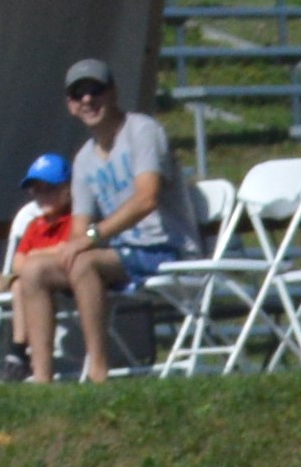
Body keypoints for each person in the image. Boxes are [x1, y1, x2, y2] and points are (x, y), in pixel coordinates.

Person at [12, 60, 203, 385]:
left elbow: (147, 198)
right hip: (120, 254)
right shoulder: (84, 158)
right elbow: (77, 230)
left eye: (95, 90)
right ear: (70, 105)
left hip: (167, 248)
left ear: (112, 93)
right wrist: (54, 252)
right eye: (78, 94)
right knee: (33, 272)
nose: (87, 100)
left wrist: (91, 236)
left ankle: (99, 372)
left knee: (84, 263)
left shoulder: (142, 131)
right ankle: (41, 378)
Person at [0, 155, 77, 377]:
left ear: (68, 189)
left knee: (21, 285)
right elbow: (18, 261)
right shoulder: (35, 224)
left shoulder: (74, 220)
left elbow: (67, 249)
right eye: (36, 191)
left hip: (55, 279)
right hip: (23, 274)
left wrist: (36, 256)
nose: (42, 197)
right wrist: (35, 257)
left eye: (49, 189)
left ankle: (18, 351)